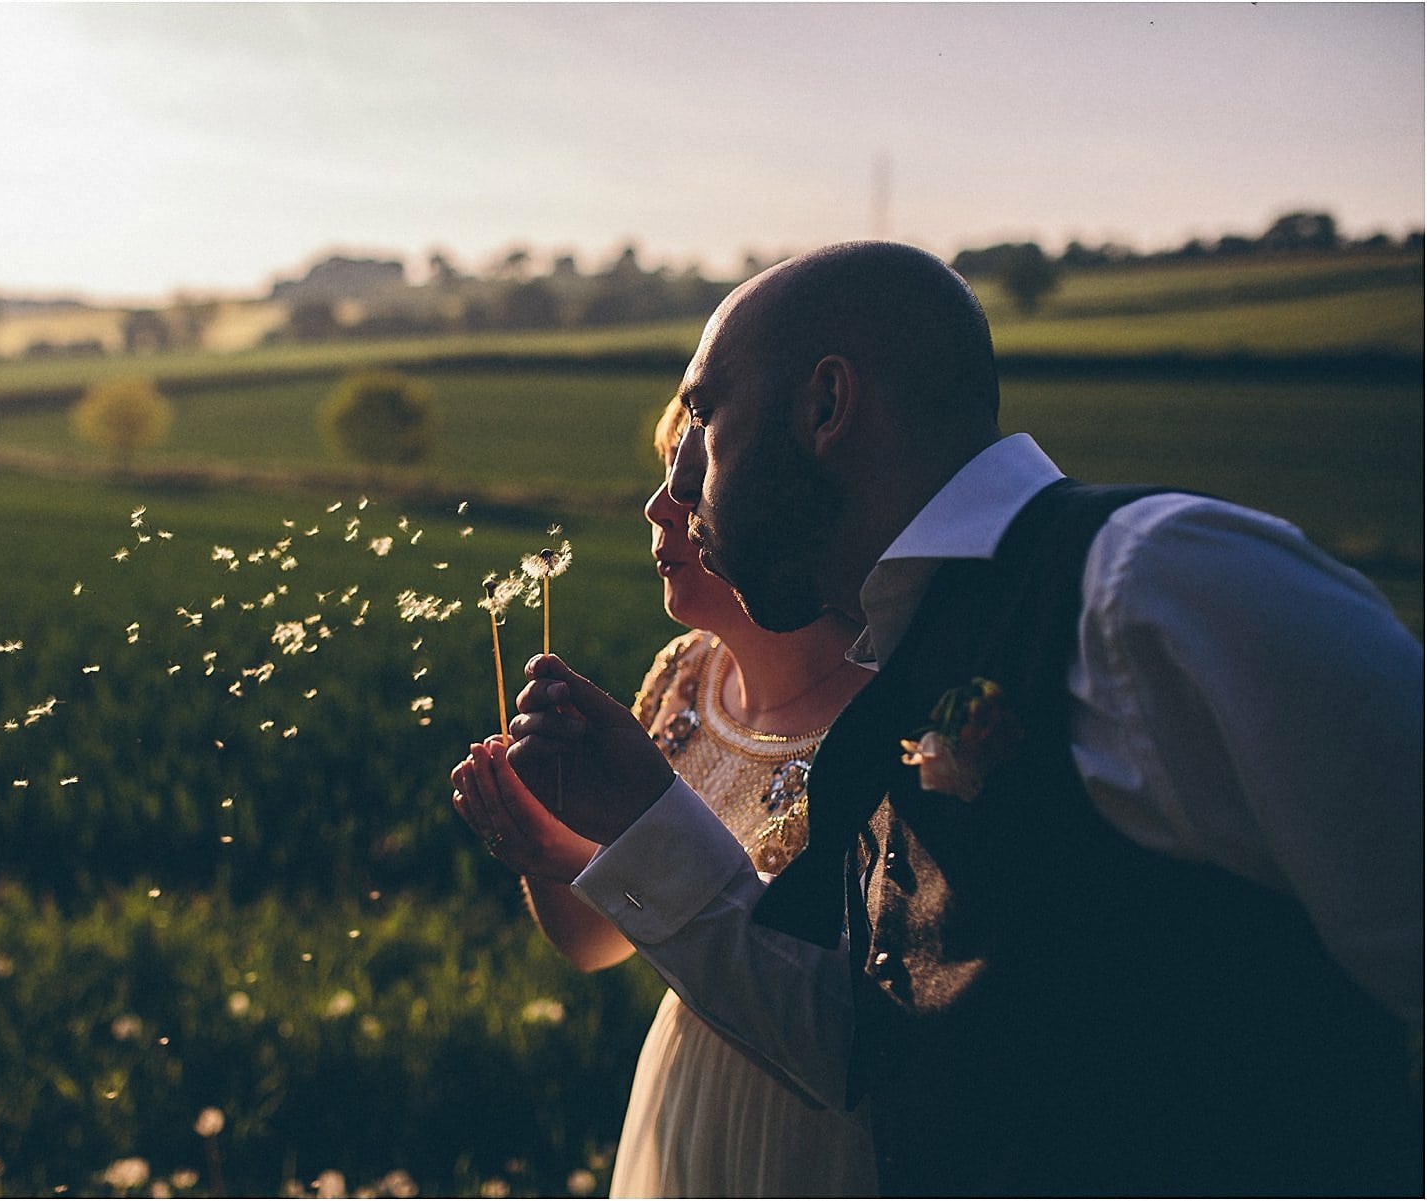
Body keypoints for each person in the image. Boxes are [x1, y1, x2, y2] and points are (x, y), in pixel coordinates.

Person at [467, 241, 1424, 1196]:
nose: (676, 483)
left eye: (704, 417)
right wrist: (643, 818)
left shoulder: (1153, 585)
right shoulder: (910, 657)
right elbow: (868, 1042)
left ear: (827, 407)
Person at [452, 398, 877, 1197]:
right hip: (690, 1087)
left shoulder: (895, 713)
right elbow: (596, 943)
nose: (657, 509)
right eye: (663, 477)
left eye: (694, 481)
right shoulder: (688, 675)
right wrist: (542, 845)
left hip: (818, 1129)